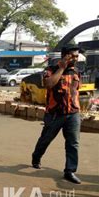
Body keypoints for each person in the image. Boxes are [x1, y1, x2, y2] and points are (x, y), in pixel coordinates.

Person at [31, 46, 83, 184]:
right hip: (55, 113)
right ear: (65, 56)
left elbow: (77, 90)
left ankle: (69, 171)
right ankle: (36, 156)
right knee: (46, 139)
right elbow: (48, 84)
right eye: (73, 56)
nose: (76, 59)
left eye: (77, 56)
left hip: (73, 113)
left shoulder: (76, 71)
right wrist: (61, 68)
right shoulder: (50, 70)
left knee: (73, 143)